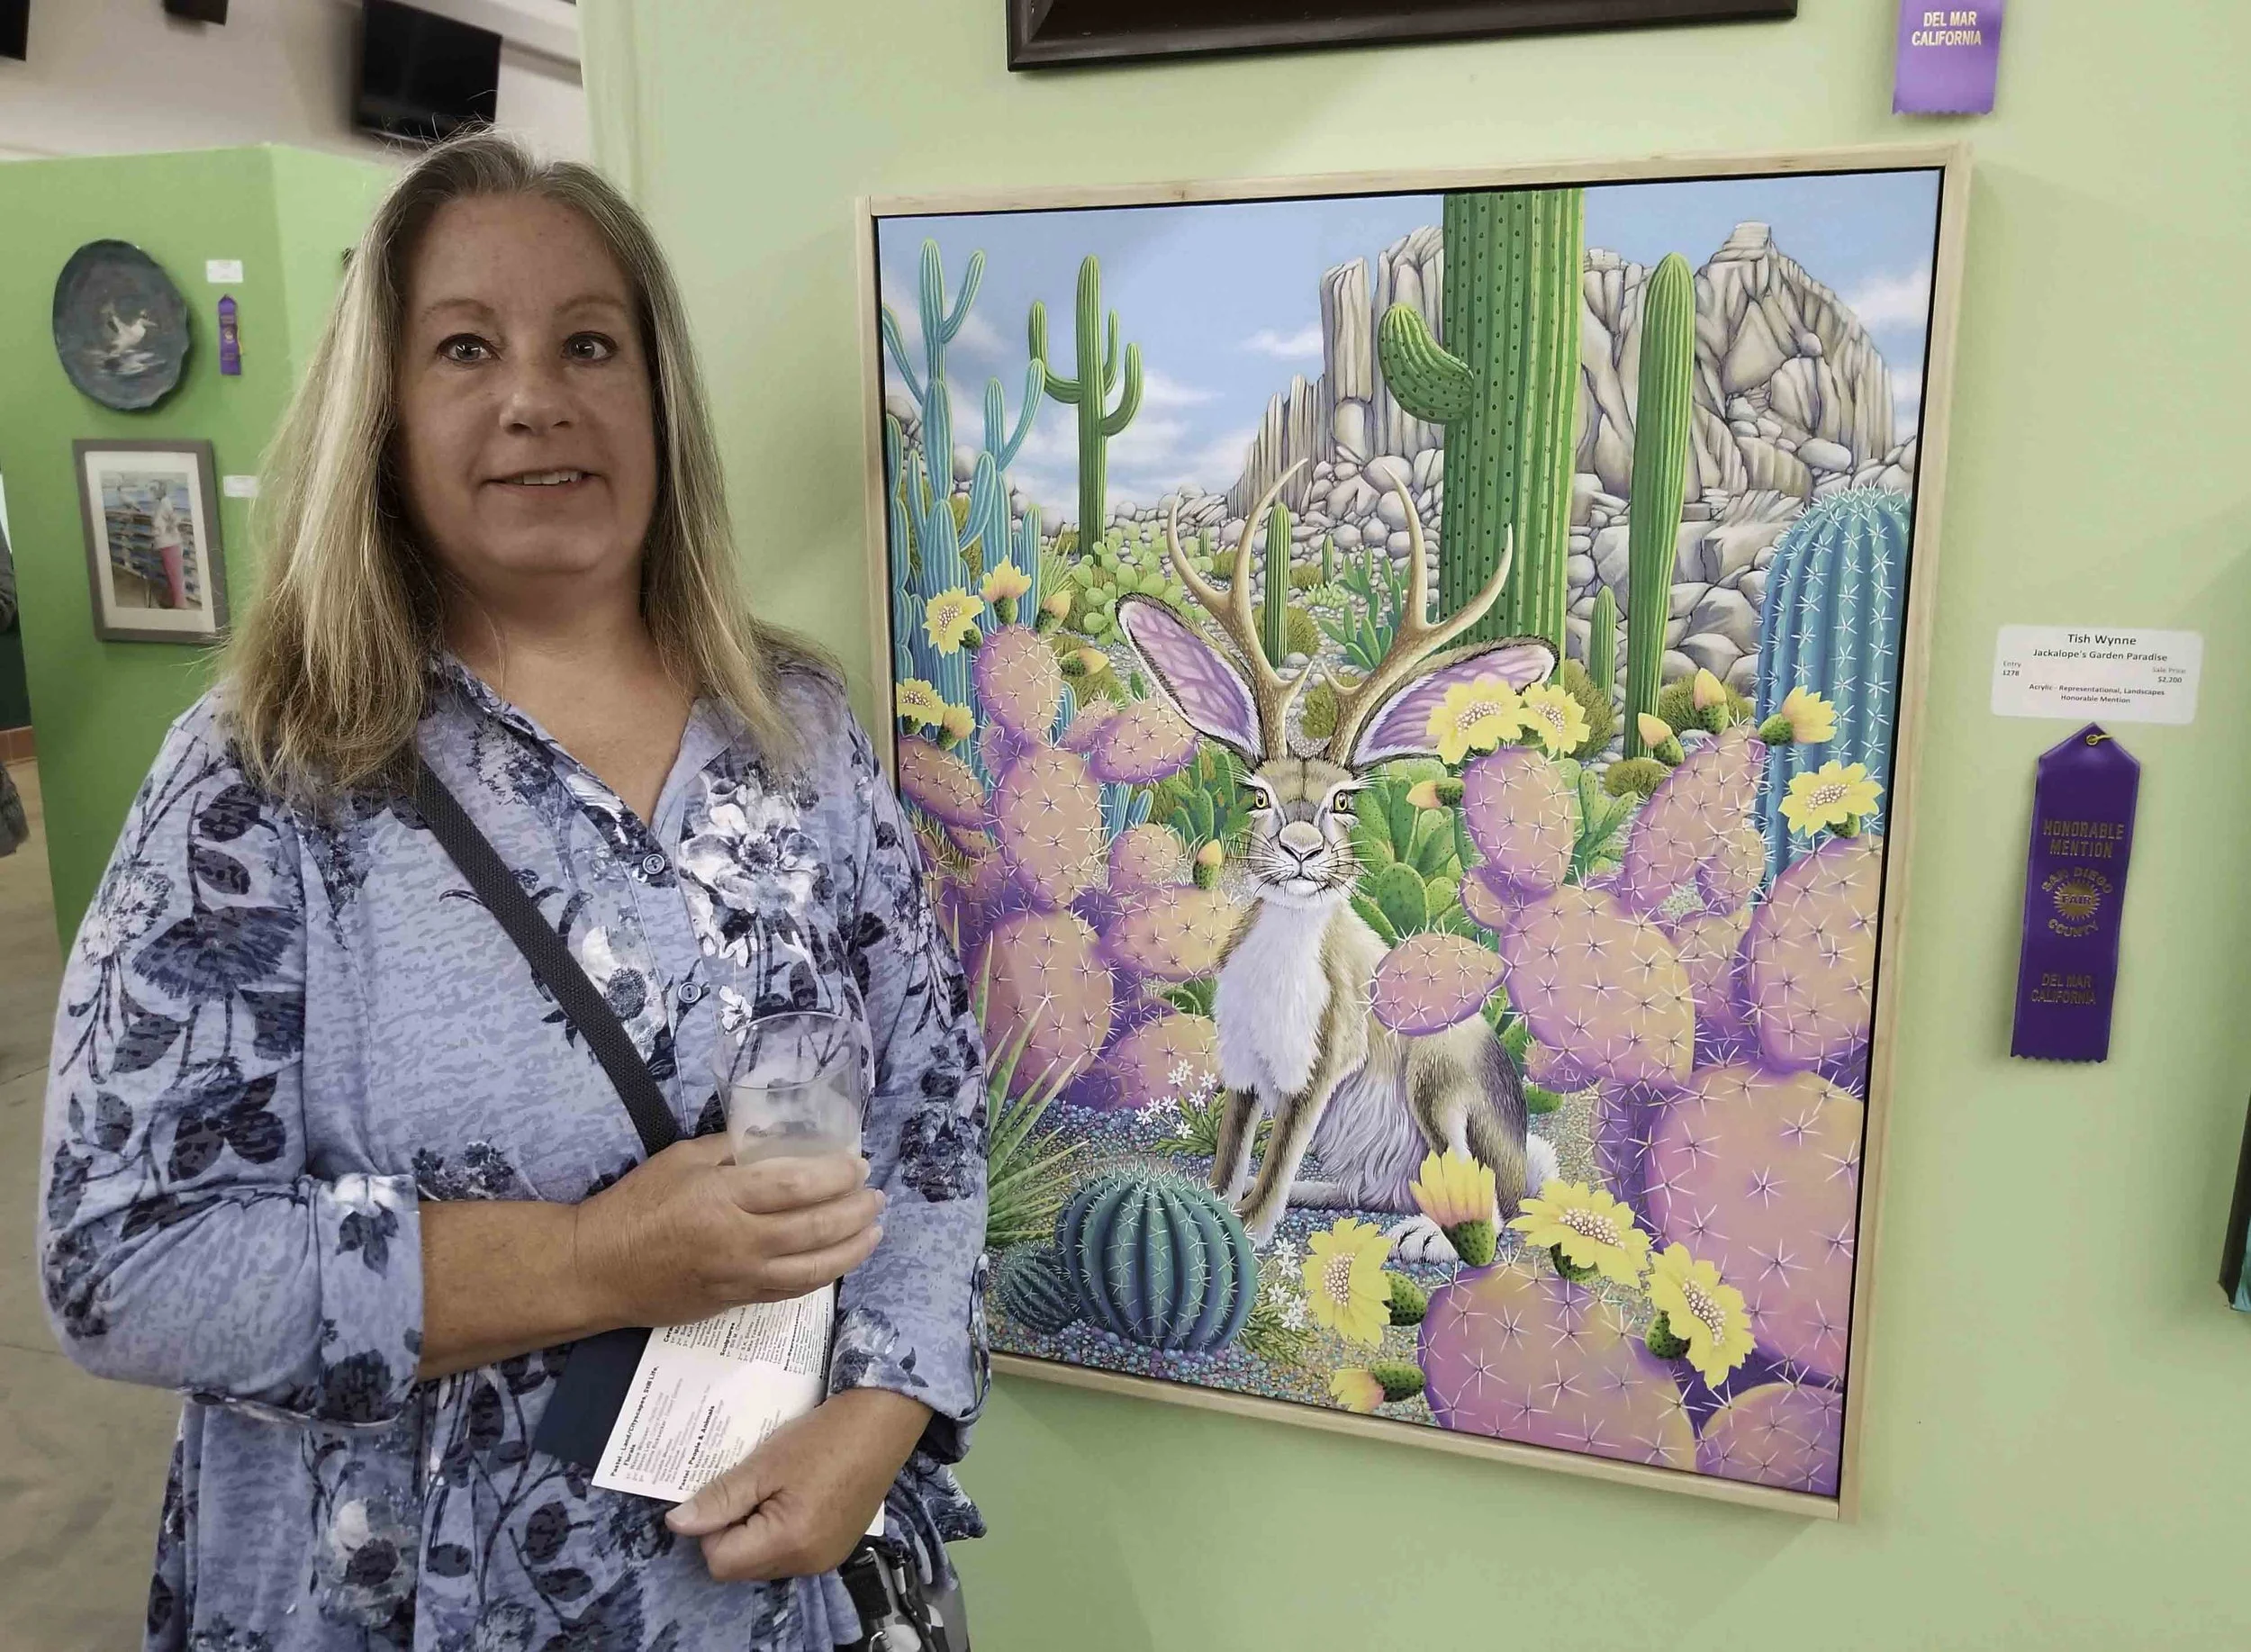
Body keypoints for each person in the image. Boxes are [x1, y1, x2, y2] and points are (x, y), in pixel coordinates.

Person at [39, 131, 989, 1652]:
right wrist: (589, 1261)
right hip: (411, 1603)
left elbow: (925, 1121)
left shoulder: (794, 733)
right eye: (465, 347)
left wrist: (882, 1404)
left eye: (588, 345)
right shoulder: (268, 774)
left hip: (776, 1593)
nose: (535, 396)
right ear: (386, 414)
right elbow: (126, 1260)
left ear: (658, 401)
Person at [149, 485, 188, 609]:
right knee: (172, 575)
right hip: (166, 544)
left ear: (161, 490)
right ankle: (172, 602)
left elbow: (176, 518)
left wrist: (168, 528)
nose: (152, 492)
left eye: (154, 489)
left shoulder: (165, 503)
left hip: (170, 544)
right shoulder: (162, 503)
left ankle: (180, 605)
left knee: (175, 576)